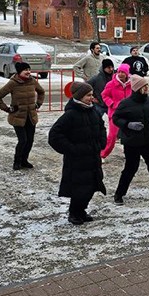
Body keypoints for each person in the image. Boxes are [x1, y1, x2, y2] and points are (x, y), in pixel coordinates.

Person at [48, 81, 107, 225]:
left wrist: (101, 143)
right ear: (79, 96)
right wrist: (72, 149)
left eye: (92, 95)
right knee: (79, 189)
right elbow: (54, 136)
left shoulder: (93, 111)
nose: (91, 98)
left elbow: (101, 128)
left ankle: (81, 210)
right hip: (77, 161)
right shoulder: (71, 114)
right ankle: (74, 212)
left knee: (92, 186)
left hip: (93, 158)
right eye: (88, 95)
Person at [111, 75, 149, 203]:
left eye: (147, 85)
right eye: (144, 86)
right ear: (137, 88)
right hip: (132, 141)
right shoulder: (125, 103)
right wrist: (128, 125)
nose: (147, 88)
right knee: (130, 168)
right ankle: (119, 194)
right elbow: (116, 118)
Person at [0, 61, 45, 170]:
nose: (28, 72)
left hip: (31, 116)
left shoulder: (33, 81)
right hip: (18, 117)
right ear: (19, 71)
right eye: (26, 70)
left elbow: (41, 92)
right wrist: (7, 109)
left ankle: (24, 160)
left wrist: (38, 104)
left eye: (29, 69)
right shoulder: (13, 83)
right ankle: (17, 161)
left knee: (30, 140)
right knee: (23, 140)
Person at [101, 63, 132, 159]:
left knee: (129, 135)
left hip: (128, 114)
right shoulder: (111, 84)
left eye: (123, 72)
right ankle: (102, 154)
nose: (121, 74)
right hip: (115, 114)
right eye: (119, 72)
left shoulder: (132, 84)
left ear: (127, 74)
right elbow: (104, 95)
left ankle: (128, 153)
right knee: (113, 136)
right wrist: (112, 104)